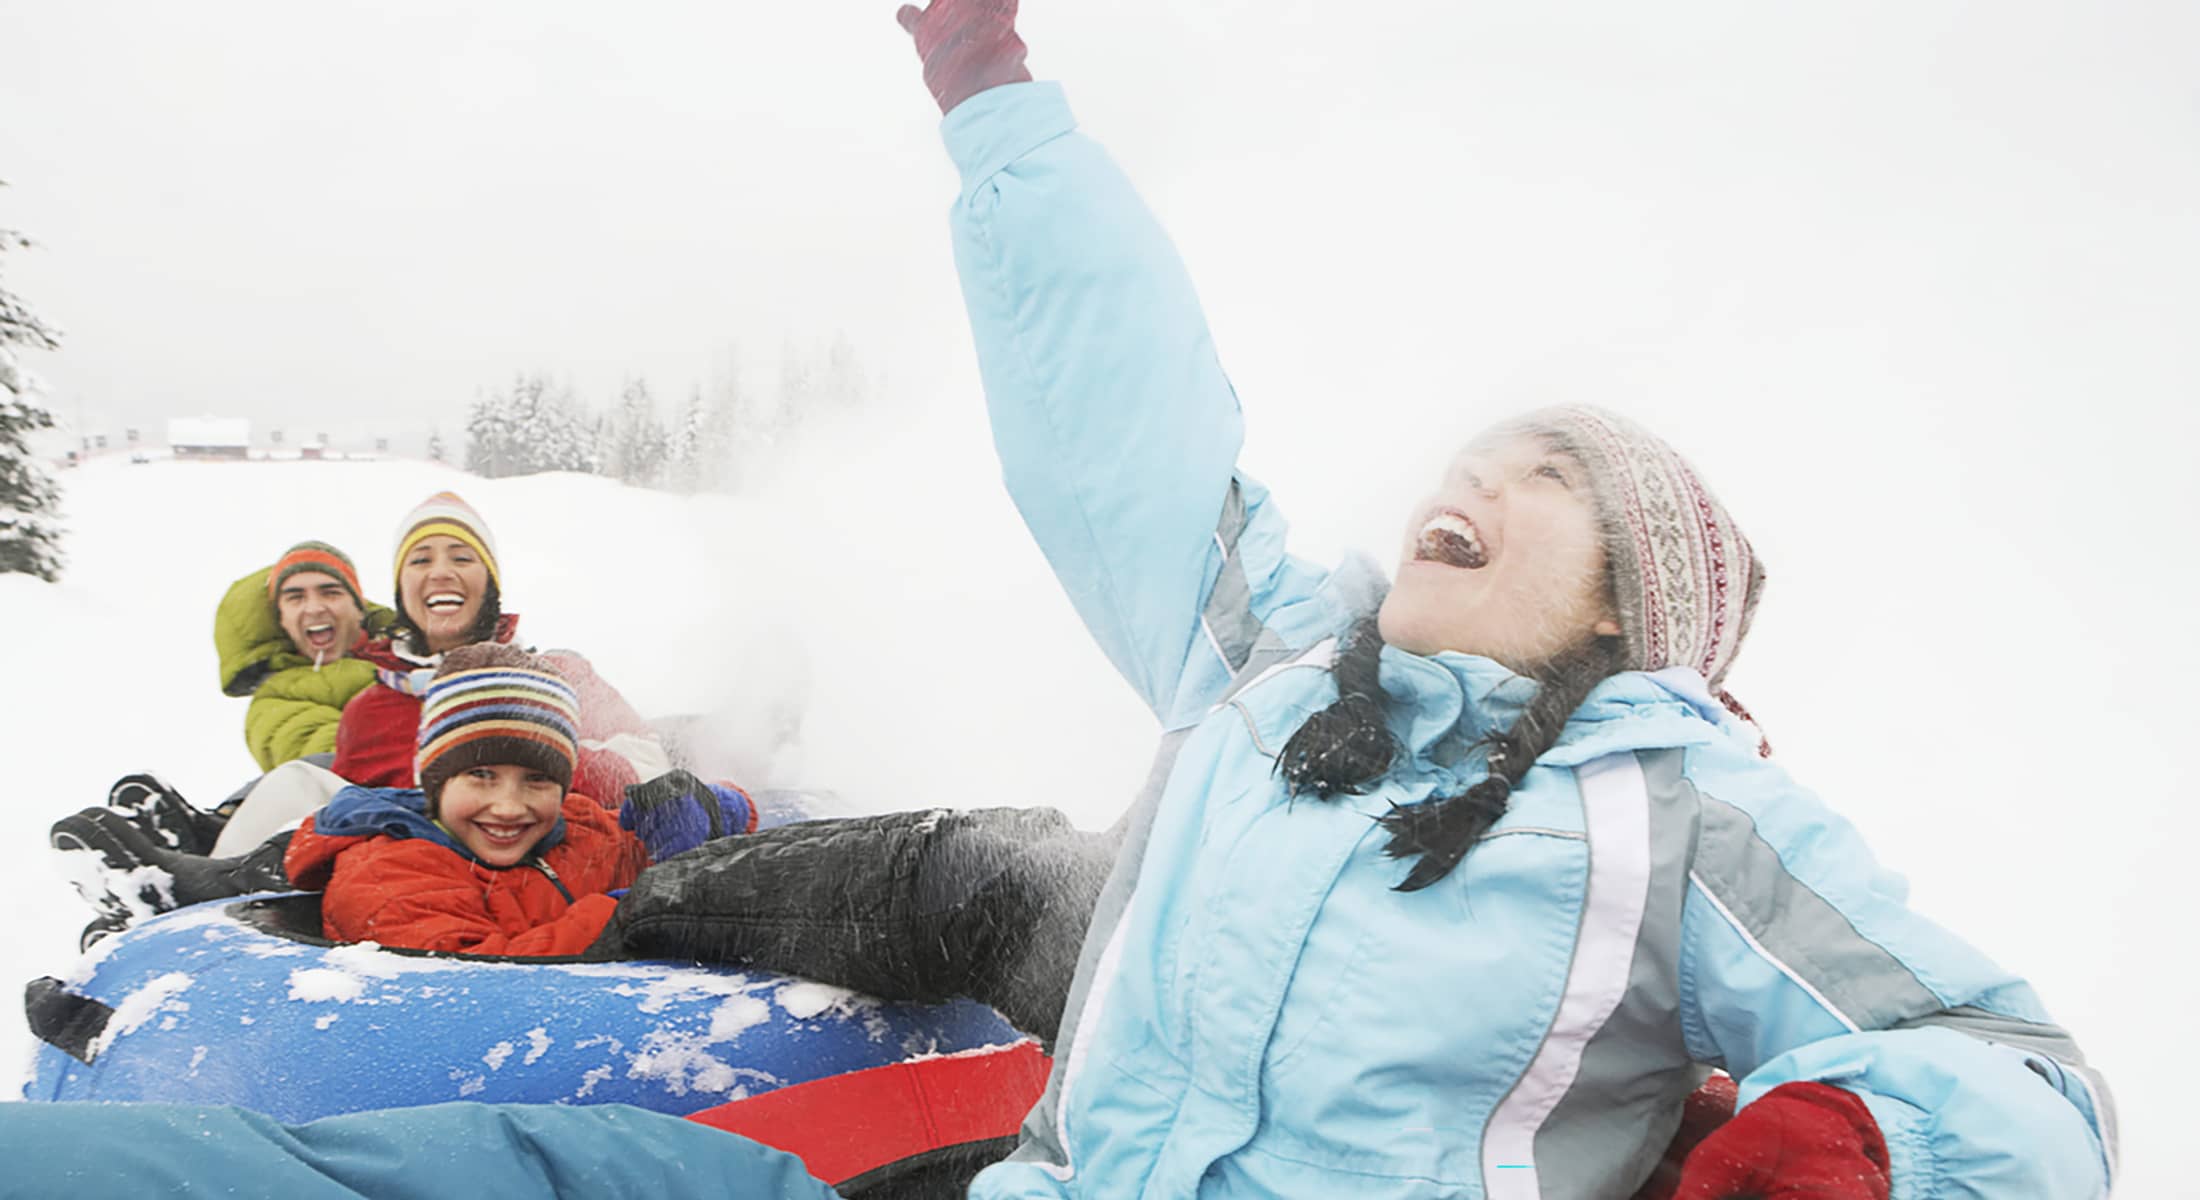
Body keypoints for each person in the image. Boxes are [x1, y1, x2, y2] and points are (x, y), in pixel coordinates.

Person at [600, 4, 2116, 1197]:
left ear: (1621, 608)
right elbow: (1122, 431)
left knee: (983, 884)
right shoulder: (1272, 661)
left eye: (1546, 475)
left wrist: (1874, 1145)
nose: (1472, 474)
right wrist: (993, 91)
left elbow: (2011, 1066)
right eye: (1475, 453)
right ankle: (601, 926)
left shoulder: (1673, 809)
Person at [282, 643, 751, 956]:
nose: (509, 806)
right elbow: (478, 979)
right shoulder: (387, 874)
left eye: (537, 780)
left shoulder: (575, 827)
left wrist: (714, 810)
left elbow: (654, 849)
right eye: (481, 775)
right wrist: (636, 913)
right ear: (435, 780)